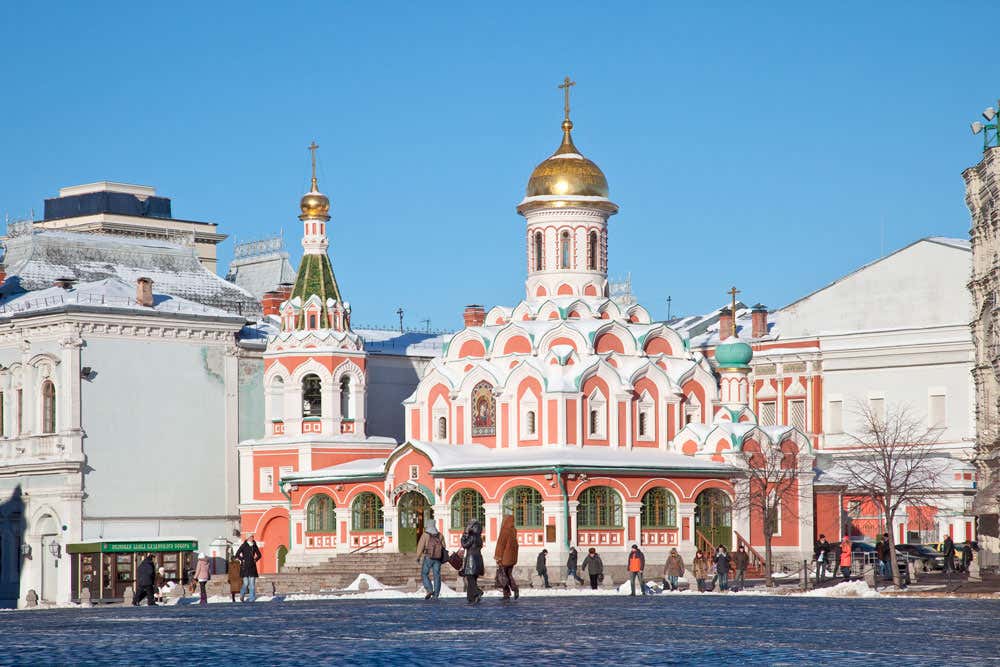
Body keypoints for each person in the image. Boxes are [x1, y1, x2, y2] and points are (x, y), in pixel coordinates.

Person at [416, 521, 445, 600]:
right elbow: (444, 546)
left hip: (428, 557)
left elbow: (420, 546)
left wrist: (418, 557)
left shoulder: (425, 535)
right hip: (438, 559)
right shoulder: (440, 535)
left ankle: (429, 589)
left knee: (424, 573)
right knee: (437, 575)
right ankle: (436, 594)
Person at [493, 514, 520, 600]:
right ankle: (515, 589)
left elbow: (500, 545)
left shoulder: (504, 531)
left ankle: (506, 593)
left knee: (503, 575)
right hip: (511, 559)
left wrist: (498, 557)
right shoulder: (513, 531)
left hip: (504, 558)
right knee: (508, 575)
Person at [461, 520, 485, 604]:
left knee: (470, 578)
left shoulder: (472, 536)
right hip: (478, 559)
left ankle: (477, 592)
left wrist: (464, 536)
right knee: (473, 579)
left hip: (471, 560)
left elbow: (464, 545)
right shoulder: (479, 538)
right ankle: (471, 597)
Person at [236, 535, 263, 603]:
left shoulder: (254, 545)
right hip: (245, 567)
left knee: (252, 584)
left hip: (252, 567)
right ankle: (242, 594)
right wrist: (242, 559)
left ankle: (252, 599)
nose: (252, 538)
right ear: (247, 538)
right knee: (246, 583)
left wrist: (255, 559)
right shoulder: (244, 545)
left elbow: (259, 555)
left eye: (252, 537)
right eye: (250, 537)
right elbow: (237, 554)